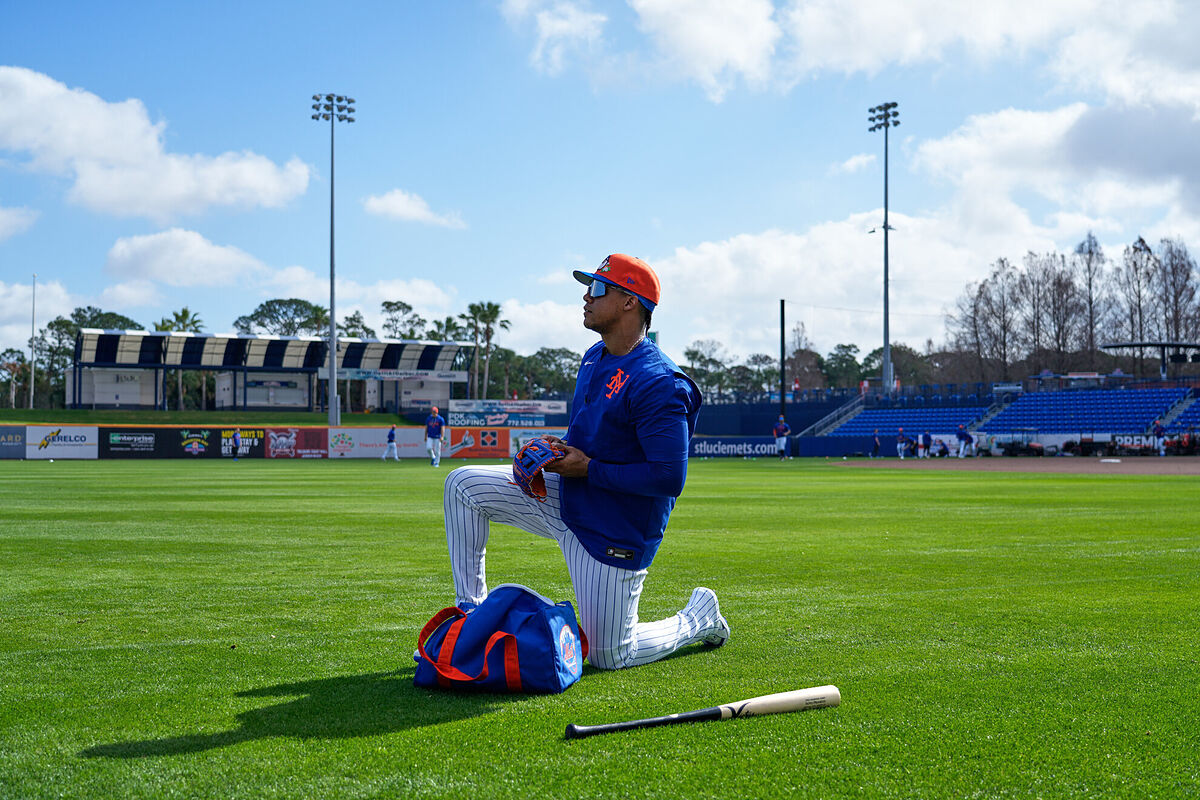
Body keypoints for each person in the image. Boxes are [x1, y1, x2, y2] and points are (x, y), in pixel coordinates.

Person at [441, 253, 726, 671]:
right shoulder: (595, 356)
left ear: (629, 301)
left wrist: (588, 468)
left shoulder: (660, 382)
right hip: (569, 496)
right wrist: (557, 450)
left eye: (597, 288)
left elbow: (668, 477)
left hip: (614, 526)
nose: (586, 297)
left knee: (610, 655)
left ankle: (698, 617)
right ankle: (470, 618)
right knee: (462, 486)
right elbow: (591, 435)